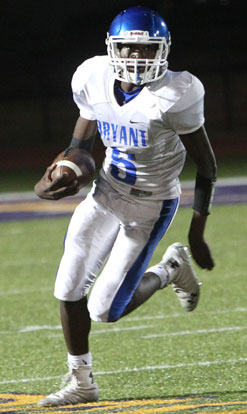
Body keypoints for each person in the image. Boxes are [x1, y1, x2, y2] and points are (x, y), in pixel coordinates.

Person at [35, 6, 217, 407]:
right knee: (67, 289)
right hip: (105, 192)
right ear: (113, 48)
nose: (136, 58)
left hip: (150, 205)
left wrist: (197, 232)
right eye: (129, 49)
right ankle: (82, 382)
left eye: (146, 50)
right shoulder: (93, 76)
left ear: (162, 51)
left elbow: (207, 166)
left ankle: (171, 269)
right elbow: (80, 145)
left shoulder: (177, 94)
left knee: (104, 310)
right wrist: (66, 170)